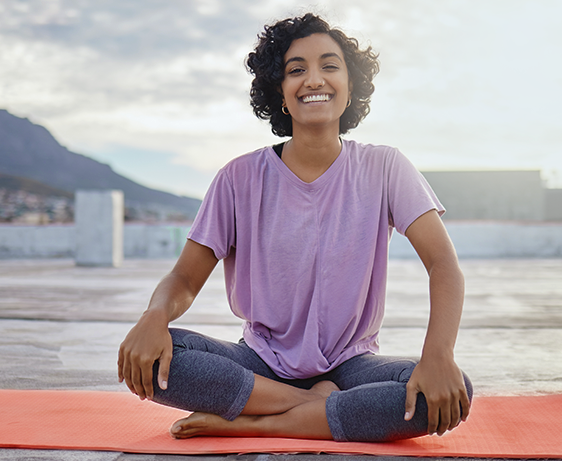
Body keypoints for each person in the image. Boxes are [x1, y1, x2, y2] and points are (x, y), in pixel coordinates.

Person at [117, 13, 472, 443]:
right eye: (296, 70)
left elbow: (443, 264)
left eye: (329, 65)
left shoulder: (385, 167)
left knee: (450, 392)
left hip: (351, 366)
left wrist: (438, 355)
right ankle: (316, 409)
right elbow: (185, 278)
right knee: (154, 362)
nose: (313, 79)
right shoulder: (238, 178)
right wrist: (154, 316)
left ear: (350, 85)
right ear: (280, 93)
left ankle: (258, 420)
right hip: (260, 362)